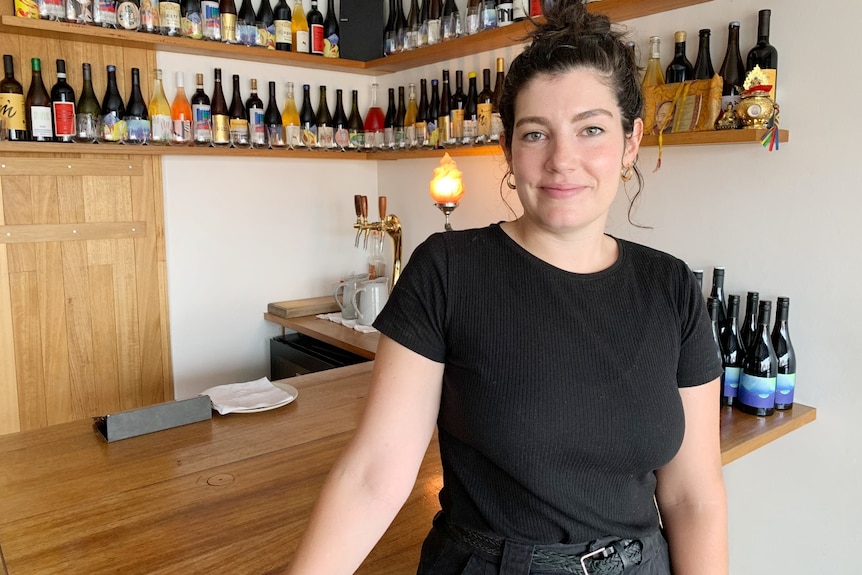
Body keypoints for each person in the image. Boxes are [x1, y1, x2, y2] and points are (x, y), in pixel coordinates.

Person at [284, 2, 727, 574]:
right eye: (536, 133)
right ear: (509, 151)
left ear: (630, 142)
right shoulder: (448, 270)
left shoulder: (669, 286)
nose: (562, 160)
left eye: (591, 129)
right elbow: (374, 474)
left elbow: (694, 498)